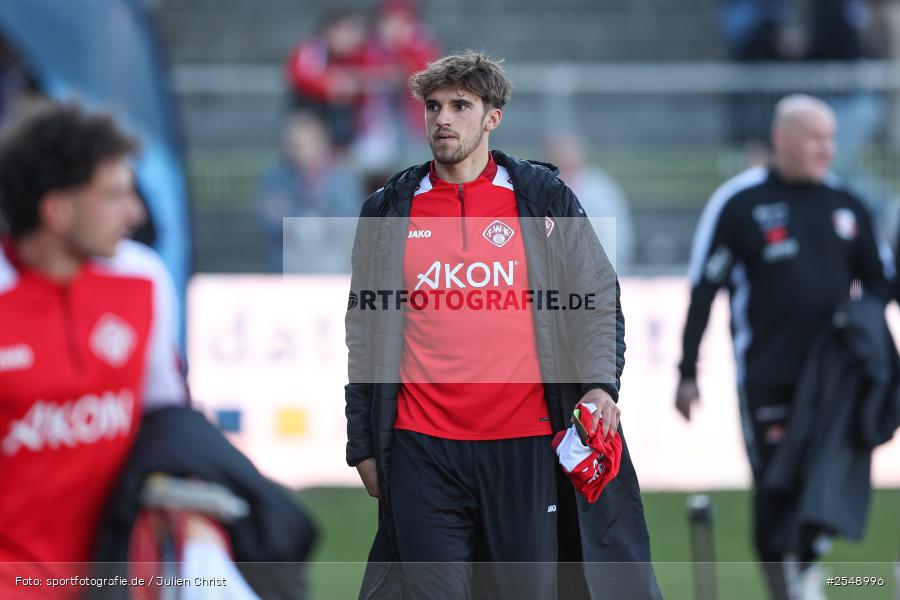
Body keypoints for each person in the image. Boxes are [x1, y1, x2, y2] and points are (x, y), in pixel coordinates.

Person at [345, 52, 660, 600]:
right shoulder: (389, 209)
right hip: (421, 448)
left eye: (460, 106)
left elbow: (596, 299)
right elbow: (364, 333)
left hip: (526, 446)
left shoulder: (543, 199)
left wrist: (598, 385)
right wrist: (362, 445)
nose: (443, 118)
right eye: (433, 106)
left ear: (493, 117)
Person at [675, 94, 892, 600]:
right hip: (767, 376)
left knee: (820, 489)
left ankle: (806, 579)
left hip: (834, 382)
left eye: (832, 138)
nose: (827, 149)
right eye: (815, 138)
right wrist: (687, 370)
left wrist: (861, 319)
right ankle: (785, 588)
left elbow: (882, 283)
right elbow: (704, 289)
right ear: (781, 140)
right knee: (775, 489)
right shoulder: (739, 204)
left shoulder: (848, 206)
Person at [0, 103, 189, 596]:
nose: (136, 212)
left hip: (107, 577)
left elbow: (164, 414)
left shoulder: (142, 278)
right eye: (114, 195)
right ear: (57, 210)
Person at [257, 110, 362, 272]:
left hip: (331, 265)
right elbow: (270, 219)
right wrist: (302, 223)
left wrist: (320, 224)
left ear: (318, 143)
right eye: (289, 144)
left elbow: (350, 220)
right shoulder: (276, 177)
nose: (293, 151)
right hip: (287, 264)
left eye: (299, 144)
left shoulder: (341, 177)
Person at [545, 131, 636, 271]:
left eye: (569, 150)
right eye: (558, 150)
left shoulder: (600, 186)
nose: (563, 155)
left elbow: (617, 232)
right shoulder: (543, 185)